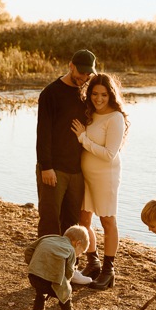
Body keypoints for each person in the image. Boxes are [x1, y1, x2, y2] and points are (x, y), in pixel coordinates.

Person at [70, 73, 129, 290]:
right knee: (84, 220)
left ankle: (108, 270)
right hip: (86, 175)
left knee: (107, 221)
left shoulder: (115, 118)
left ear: (110, 94)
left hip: (106, 176)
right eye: (94, 94)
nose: (99, 98)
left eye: (103, 94)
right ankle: (92, 261)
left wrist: (83, 138)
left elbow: (108, 154)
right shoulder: (90, 113)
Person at [35, 49, 96, 239]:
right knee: (50, 220)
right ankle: (46, 265)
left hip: (77, 171)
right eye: (81, 72)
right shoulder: (50, 93)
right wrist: (46, 167)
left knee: (72, 223)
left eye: (88, 73)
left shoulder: (87, 94)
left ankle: (69, 266)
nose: (84, 77)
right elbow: (43, 133)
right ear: (70, 66)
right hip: (54, 169)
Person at [24, 224, 90, 310]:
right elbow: (69, 272)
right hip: (52, 279)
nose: (78, 255)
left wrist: (34, 266)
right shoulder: (70, 250)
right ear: (77, 243)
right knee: (65, 294)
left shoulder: (48, 238)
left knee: (41, 293)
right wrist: (66, 283)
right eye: (81, 252)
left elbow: (29, 250)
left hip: (34, 276)